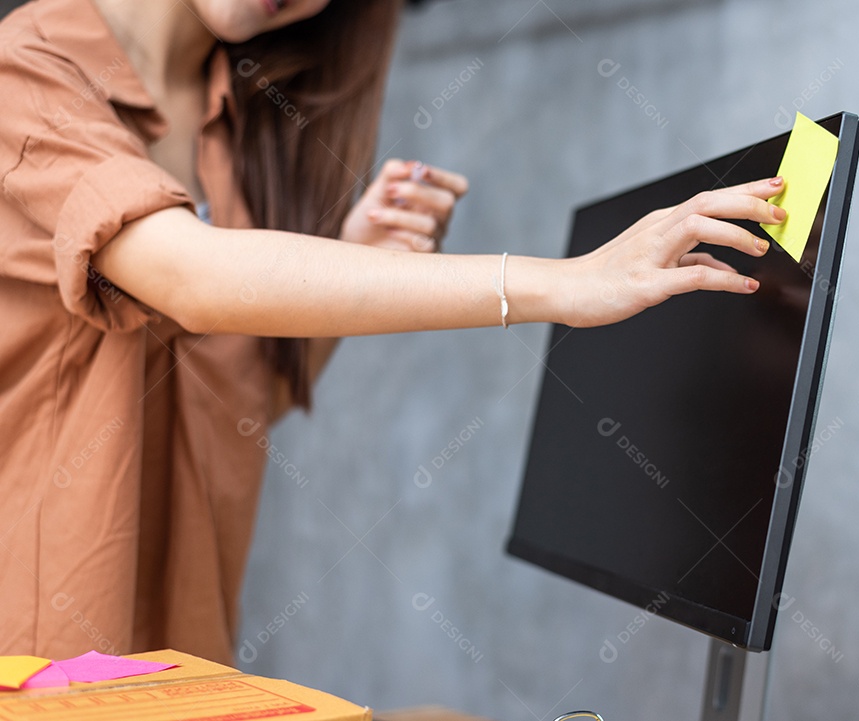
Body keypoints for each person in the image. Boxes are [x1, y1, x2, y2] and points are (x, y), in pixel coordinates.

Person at [0, 0, 787, 665]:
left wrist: (343, 263)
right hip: (39, 666)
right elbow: (193, 279)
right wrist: (571, 282)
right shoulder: (26, 75)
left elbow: (228, 409)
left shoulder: (239, 119)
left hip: (178, 666)